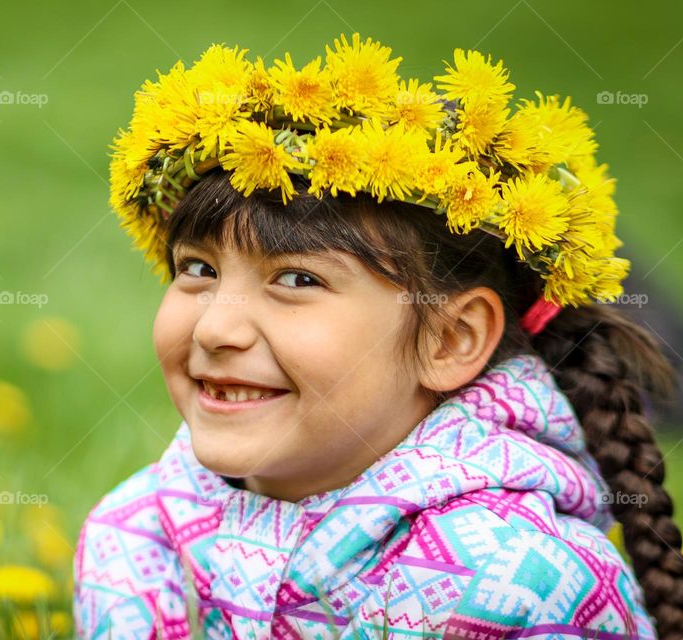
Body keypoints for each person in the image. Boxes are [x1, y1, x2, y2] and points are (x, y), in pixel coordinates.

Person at [73, 33, 683, 638]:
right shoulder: (130, 538)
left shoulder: (522, 584)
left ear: (449, 339)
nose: (215, 327)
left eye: (297, 278)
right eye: (198, 270)